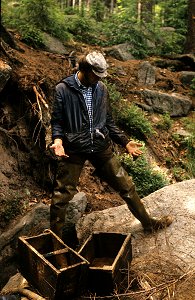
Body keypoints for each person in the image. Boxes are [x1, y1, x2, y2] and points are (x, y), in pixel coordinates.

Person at [50, 51, 172, 248]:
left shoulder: (101, 89)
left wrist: (124, 142)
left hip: (100, 146)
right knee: (61, 196)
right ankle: (55, 245)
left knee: (126, 186)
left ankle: (148, 223)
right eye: (96, 75)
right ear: (85, 70)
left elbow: (108, 121)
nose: (99, 79)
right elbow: (57, 121)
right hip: (74, 148)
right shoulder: (63, 89)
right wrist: (58, 141)